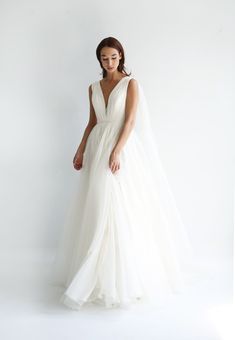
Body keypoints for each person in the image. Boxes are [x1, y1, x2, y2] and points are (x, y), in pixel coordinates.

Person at [50, 37, 200, 310]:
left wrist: (117, 151)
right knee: (96, 206)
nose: (109, 63)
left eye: (113, 57)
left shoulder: (131, 84)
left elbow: (130, 120)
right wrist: (81, 149)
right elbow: (92, 122)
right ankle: (94, 273)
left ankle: (123, 277)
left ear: (121, 56)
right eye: (104, 58)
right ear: (99, 59)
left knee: (119, 208)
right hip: (97, 147)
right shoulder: (93, 87)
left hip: (119, 149)